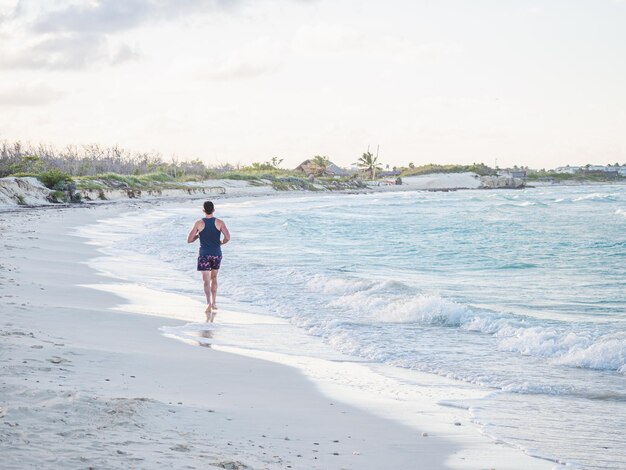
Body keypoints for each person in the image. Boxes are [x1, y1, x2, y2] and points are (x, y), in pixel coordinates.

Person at [187, 201, 230, 322]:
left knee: (206, 281)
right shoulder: (220, 222)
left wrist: (198, 236)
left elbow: (189, 240)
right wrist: (221, 243)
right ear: (214, 210)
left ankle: (208, 303)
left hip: (204, 254)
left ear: (203, 210)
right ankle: (215, 302)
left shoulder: (199, 223)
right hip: (216, 253)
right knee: (214, 278)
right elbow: (228, 237)